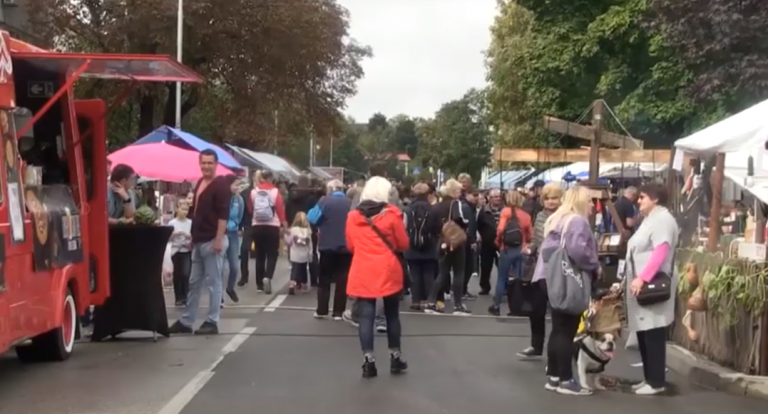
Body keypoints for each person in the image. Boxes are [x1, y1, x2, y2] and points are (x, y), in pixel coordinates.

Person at [532, 185, 600, 395]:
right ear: (580, 201)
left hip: (548, 277)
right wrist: (594, 264)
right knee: (567, 330)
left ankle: (553, 377)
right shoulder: (577, 221)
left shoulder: (557, 218)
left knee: (558, 328)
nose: (593, 205)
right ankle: (565, 379)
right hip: (566, 280)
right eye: (590, 200)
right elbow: (578, 249)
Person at [345, 176, 410, 378]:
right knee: (391, 314)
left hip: (363, 268)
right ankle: (395, 357)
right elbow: (402, 244)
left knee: (366, 317)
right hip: (387, 268)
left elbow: (350, 245)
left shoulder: (353, 217)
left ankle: (368, 362)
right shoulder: (392, 215)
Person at [169, 149, 231, 335]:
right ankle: (187, 320)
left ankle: (212, 321)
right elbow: (196, 213)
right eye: (203, 163)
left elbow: (223, 215)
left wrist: (218, 240)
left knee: (214, 282)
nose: (206, 166)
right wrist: (193, 237)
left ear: (216, 164)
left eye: (209, 163)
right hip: (198, 240)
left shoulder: (220, 185)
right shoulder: (199, 184)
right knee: (194, 282)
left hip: (212, 240)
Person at [625, 183, 678, 395]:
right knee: (644, 331)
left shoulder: (662, 219)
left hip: (651, 282)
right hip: (643, 283)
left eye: (643, 197)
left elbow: (661, 250)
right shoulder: (652, 218)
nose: (639, 201)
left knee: (653, 331)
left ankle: (656, 381)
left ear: (655, 199)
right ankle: (649, 378)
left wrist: (643, 277)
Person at [517, 183, 562, 359]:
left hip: (558, 269)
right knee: (536, 310)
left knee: (559, 312)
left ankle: (559, 349)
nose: (550, 202)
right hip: (539, 268)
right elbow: (536, 239)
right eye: (547, 198)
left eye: (554, 198)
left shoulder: (566, 216)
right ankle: (536, 346)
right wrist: (530, 248)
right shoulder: (540, 215)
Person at [424, 179, 472, 315]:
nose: (460, 193)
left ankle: (431, 302)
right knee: (458, 272)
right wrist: (466, 225)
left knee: (442, 273)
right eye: (459, 190)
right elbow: (460, 219)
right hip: (455, 241)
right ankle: (457, 305)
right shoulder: (455, 203)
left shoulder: (437, 206)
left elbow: (431, 224)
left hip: (442, 241)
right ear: (454, 191)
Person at [309, 179, 353, 319]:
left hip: (327, 245)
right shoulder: (350, 203)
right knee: (342, 279)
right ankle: (338, 312)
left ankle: (321, 310)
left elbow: (312, 218)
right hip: (346, 246)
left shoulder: (324, 201)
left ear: (330, 189)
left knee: (324, 279)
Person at [489, 191, 532, 316]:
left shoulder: (506, 212)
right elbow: (530, 234)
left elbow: (501, 229)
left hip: (507, 249)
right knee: (517, 279)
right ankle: (516, 306)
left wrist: (498, 242)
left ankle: (496, 306)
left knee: (502, 278)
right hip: (521, 249)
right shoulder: (526, 216)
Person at [404, 183, 440, 310]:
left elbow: (405, 227)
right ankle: (429, 301)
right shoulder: (433, 209)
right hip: (429, 245)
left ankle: (415, 300)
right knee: (428, 273)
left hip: (411, 245)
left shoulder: (408, 209)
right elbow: (438, 228)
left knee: (414, 273)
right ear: (427, 194)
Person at [250, 170, 287, 294]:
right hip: (272, 226)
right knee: (272, 254)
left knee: (260, 255)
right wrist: (284, 224)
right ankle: (268, 276)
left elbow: (251, 208)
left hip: (257, 225)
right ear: (271, 178)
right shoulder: (275, 192)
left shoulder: (254, 192)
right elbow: (280, 208)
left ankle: (259, 285)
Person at [477, 188, 504, 295]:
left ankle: (504, 287)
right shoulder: (484, 211)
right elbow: (479, 225)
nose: (498, 199)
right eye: (495, 197)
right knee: (485, 266)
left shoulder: (505, 210)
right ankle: (485, 286)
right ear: (489, 198)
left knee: (502, 266)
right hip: (487, 243)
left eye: (499, 196)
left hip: (502, 242)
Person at [224, 175, 244, 303]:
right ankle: (219, 297)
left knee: (234, 266)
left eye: (239, 185)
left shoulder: (239, 200)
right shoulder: (222, 198)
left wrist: (237, 226)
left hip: (233, 234)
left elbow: (240, 215)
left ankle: (230, 287)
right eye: (235, 185)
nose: (237, 188)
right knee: (220, 267)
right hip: (222, 233)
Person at [169, 200, 193, 306]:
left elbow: (194, 236)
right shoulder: (172, 223)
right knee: (177, 274)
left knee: (186, 274)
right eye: (182, 209)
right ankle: (178, 297)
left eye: (186, 210)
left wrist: (189, 237)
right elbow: (167, 238)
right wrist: (174, 234)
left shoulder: (190, 223)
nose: (185, 212)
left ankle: (186, 295)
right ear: (177, 209)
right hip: (175, 251)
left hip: (186, 250)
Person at [287, 212, 312, 294]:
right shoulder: (308, 230)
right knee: (303, 269)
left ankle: (292, 284)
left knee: (294, 269)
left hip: (294, 253)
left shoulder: (293, 230)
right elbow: (310, 244)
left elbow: (289, 241)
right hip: (304, 254)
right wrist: (310, 253)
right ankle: (304, 284)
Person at [237, 172, 255, 287]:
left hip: (261, 223)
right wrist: (240, 226)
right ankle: (244, 275)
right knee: (244, 250)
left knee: (261, 252)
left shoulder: (265, 192)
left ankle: (261, 277)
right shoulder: (245, 193)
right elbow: (241, 210)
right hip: (248, 224)